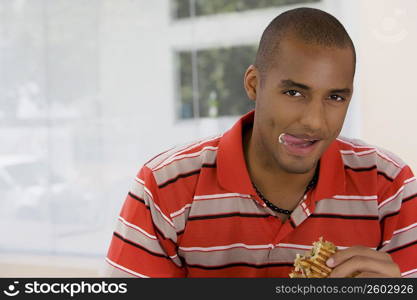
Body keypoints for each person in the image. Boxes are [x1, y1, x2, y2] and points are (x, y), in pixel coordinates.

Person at [103, 7, 417, 278]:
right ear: (254, 85)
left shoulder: (389, 187)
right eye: (294, 92)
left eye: (335, 97)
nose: (314, 121)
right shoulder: (164, 186)